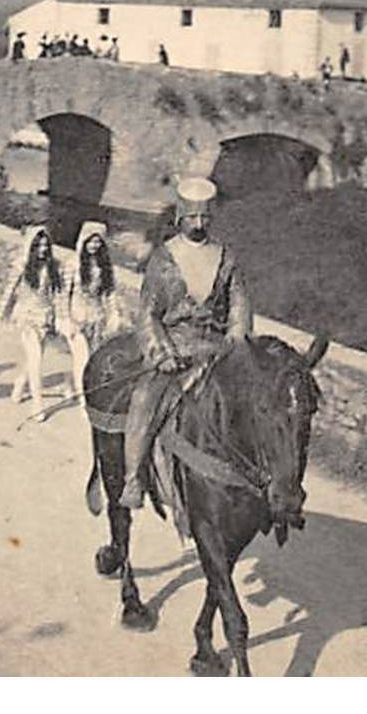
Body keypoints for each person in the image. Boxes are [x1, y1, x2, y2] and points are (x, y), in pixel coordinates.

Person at [118, 178, 252, 513]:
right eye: (193, 217)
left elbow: (239, 304)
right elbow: (147, 314)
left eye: (205, 218)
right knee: (144, 398)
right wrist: (161, 353)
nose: (199, 224)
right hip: (174, 348)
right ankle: (133, 478)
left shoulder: (225, 258)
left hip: (217, 349)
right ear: (181, 217)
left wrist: (237, 340)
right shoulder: (164, 258)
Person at [0, 225, 63, 414]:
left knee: (36, 357)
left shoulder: (52, 265)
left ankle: (19, 384)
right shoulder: (21, 265)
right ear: (30, 247)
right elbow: (9, 290)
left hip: (46, 316)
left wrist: (59, 316)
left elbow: (57, 292)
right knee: (35, 359)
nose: (42, 250)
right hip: (27, 316)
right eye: (38, 246)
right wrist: (0, 316)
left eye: (45, 246)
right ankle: (37, 403)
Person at [60, 221, 128, 404]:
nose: (93, 246)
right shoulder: (72, 264)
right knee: (83, 360)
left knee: (90, 358)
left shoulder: (104, 265)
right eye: (90, 241)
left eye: (98, 242)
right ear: (83, 240)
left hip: (97, 319)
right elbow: (63, 294)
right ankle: (85, 402)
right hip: (76, 319)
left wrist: (114, 314)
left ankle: (69, 383)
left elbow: (110, 292)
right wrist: (65, 320)